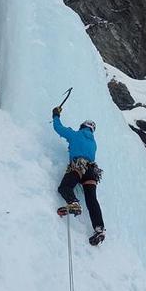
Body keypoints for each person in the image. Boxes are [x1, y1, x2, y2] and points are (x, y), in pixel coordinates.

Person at [52, 105, 105, 246]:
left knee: (64, 187)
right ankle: (99, 228)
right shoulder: (93, 143)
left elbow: (59, 128)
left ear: (82, 126)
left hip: (78, 167)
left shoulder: (75, 134)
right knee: (92, 200)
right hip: (91, 172)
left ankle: (73, 202)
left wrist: (56, 115)